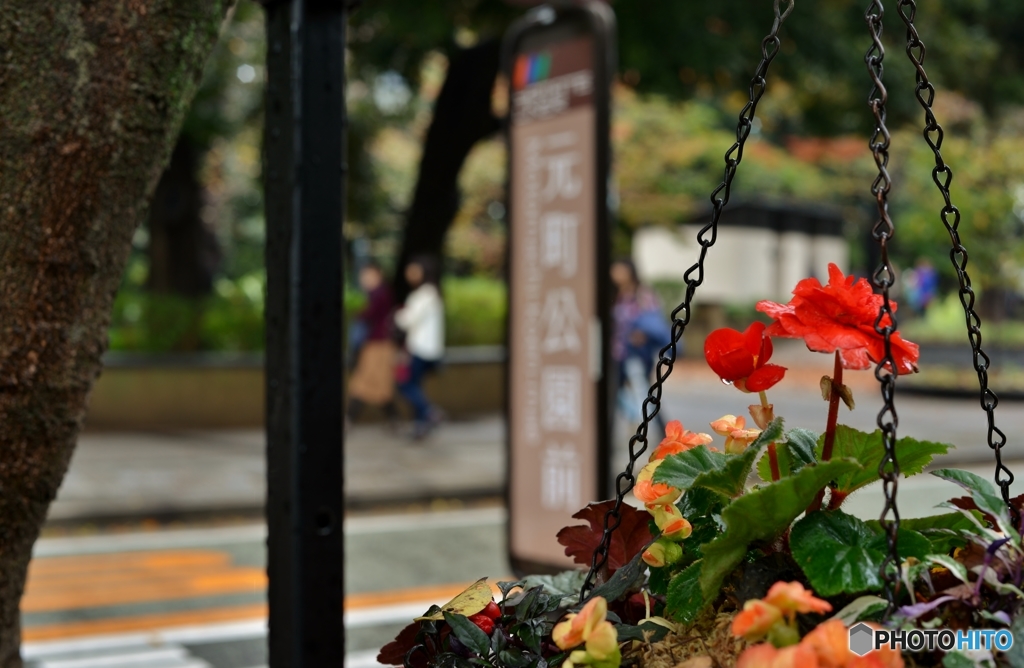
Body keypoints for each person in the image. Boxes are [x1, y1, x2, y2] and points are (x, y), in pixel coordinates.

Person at [611, 258, 670, 433]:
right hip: (616, 353)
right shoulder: (615, 294)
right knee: (614, 394)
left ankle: (663, 434)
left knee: (646, 392)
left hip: (636, 353)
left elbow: (653, 320)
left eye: (619, 270)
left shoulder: (642, 295)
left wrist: (643, 334)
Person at [394, 255, 445, 440]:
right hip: (428, 350)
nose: (410, 274)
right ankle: (420, 426)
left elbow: (407, 320)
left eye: (414, 270)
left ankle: (429, 411)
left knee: (405, 385)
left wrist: (397, 316)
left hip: (421, 349)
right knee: (416, 386)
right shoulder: (431, 293)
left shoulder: (425, 294)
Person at [347, 262, 399, 424]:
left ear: (378, 275)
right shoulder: (375, 294)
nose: (365, 279)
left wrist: (358, 314)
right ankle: (394, 420)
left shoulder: (380, 294)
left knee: (368, 383)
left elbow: (370, 314)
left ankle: (349, 418)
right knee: (375, 385)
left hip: (379, 346)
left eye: (369, 275)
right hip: (375, 345)